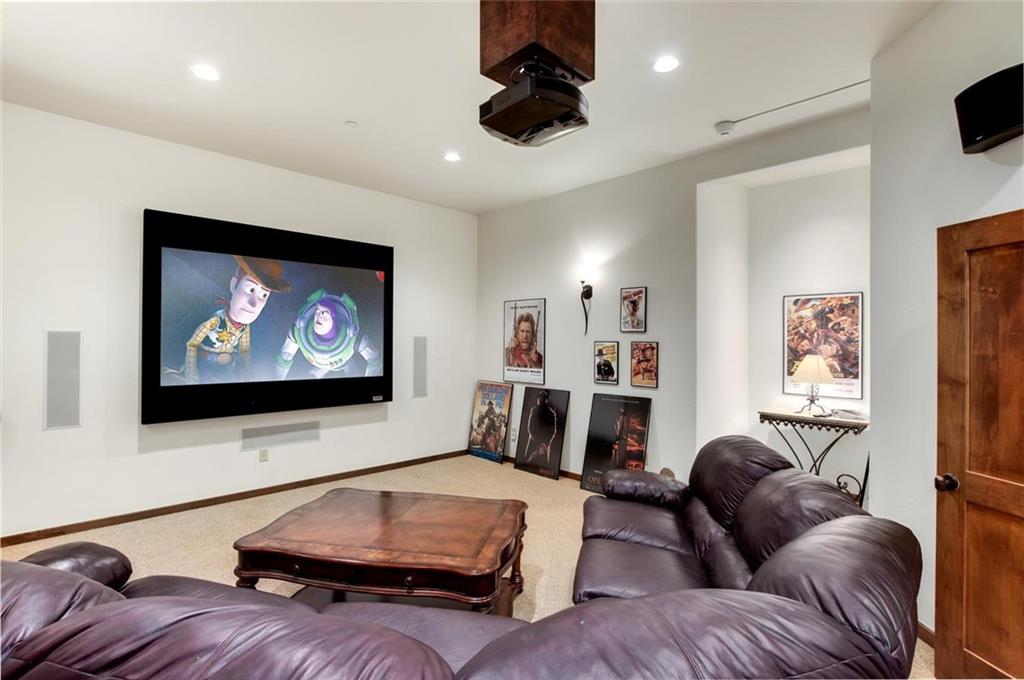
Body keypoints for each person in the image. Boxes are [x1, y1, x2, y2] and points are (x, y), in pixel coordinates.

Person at [183, 255, 291, 384]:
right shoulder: (215, 321)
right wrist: (191, 375)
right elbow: (192, 344)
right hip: (206, 360)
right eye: (250, 289)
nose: (253, 304)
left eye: (263, 295)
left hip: (228, 363)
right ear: (234, 285)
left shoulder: (244, 328)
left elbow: (244, 351)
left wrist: (249, 375)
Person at [275, 289, 381, 379]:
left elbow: (374, 360)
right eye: (317, 311)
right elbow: (285, 357)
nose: (318, 316)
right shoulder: (298, 332)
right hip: (322, 365)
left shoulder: (354, 338)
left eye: (324, 313)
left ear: (333, 318)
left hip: (345, 362)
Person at [524, 390, 558, 466]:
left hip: (543, 440)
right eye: (539, 398)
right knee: (528, 459)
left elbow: (552, 430)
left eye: (542, 398)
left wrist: (545, 442)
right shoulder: (534, 410)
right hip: (535, 439)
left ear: (546, 400)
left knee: (545, 462)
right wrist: (536, 439)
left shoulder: (551, 413)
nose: (539, 400)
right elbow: (530, 426)